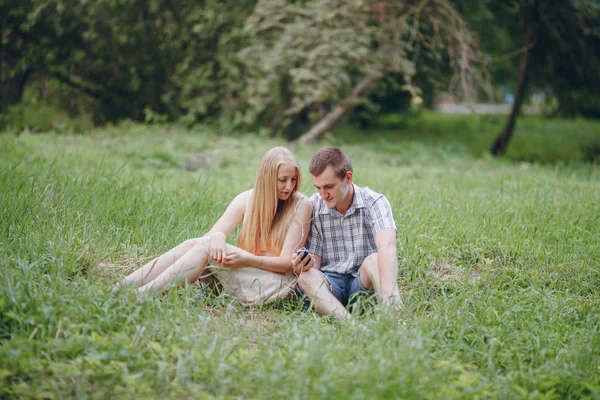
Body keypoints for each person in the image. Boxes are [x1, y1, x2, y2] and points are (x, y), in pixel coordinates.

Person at [115, 146, 312, 305]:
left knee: (202, 246)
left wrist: (247, 258)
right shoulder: (248, 198)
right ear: (267, 179)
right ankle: (122, 286)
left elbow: (287, 263)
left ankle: (142, 295)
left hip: (275, 284)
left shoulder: (301, 205)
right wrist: (218, 236)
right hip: (246, 274)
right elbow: (210, 237)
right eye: (282, 180)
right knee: (194, 243)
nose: (289, 186)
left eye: (293, 179)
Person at [293, 146, 403, 320]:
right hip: (331, 287)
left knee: (375, 259)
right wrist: (304, 264)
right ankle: (351, 326)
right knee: (306, 277)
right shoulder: (314, 205)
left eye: (329, 186)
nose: (323, 194)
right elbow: (314, 265)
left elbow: (388, 246)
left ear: (348, 177)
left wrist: (389, 293)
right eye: (318, 188)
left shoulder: (374, 202)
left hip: (363, 284)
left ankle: (392, 312)